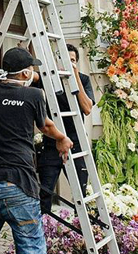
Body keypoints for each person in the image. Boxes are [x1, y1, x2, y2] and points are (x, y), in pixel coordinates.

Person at [0, 47, 72, 253]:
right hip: (19, 185)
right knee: (31, 249)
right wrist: (62, 138)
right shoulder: (34, 94)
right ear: (26, 74)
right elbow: (45, 126)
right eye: (30, 70)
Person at [32, 43, 94, 215]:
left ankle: (81, 231)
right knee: (44, 192)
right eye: (64, 60)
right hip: (52, 142)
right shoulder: (48, 79)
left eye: (72, 60)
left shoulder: (84, 79)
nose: (68, 64)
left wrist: (74, 77)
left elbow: (87, 108)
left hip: (76, 142)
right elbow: (31, 79)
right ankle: (42, 234)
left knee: (81, 193)